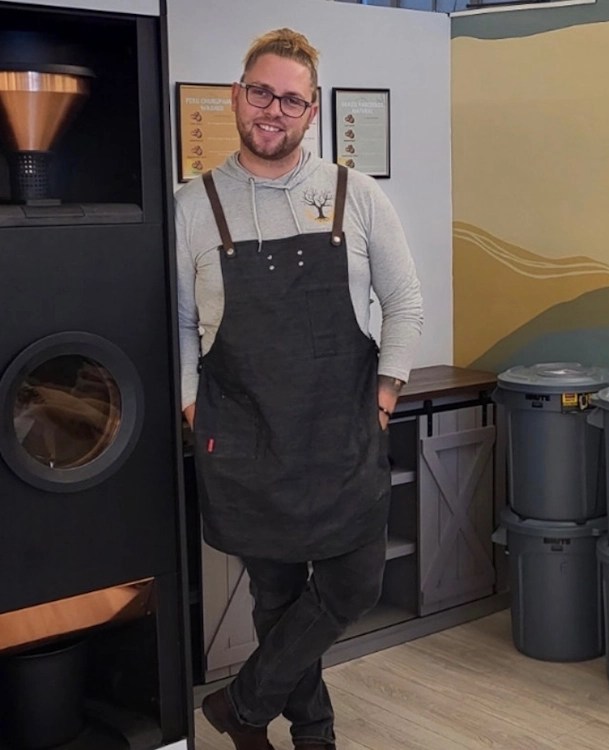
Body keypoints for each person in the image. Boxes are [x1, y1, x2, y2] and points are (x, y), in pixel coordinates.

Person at [174, 28, 423, 750]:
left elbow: (403, 302)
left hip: (343, 432)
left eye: (291, 99)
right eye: (261, 93)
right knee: (277, 597)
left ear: (312, 112)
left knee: (353, 583)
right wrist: (192, 402)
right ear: (236, 97)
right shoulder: (193, 208)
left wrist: (385, 394)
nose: (273, 110)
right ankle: (313, 734)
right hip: (247, 441)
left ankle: (242, 706)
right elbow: (179, 324)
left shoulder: (356, 196)